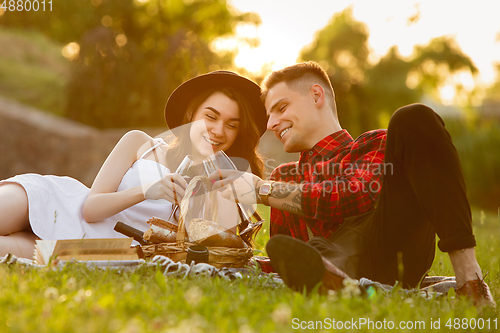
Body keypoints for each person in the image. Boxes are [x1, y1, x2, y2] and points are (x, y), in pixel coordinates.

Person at [211, 62, 496, 307]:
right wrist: (227, 259)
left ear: (316, 95)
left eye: (280, 108)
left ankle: (470, 280)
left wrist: (262, 190)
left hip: (390, 254)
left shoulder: (374, 144)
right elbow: (290, 254)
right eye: (268, 115)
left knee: (413, 117)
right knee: (297, 251)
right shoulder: (285, 176)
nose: (271, 123)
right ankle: (335, 275)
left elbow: (353, 196)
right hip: (324, 263)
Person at [0, 71, 267, 259]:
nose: (219, 130)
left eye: (232, 125)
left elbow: (208, 252)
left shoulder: (223, 184)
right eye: (211, 116)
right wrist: (147, 191)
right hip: (57, 203)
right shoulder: (140, 142)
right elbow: (91, 209)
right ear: (191, 114)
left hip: (93, 249)